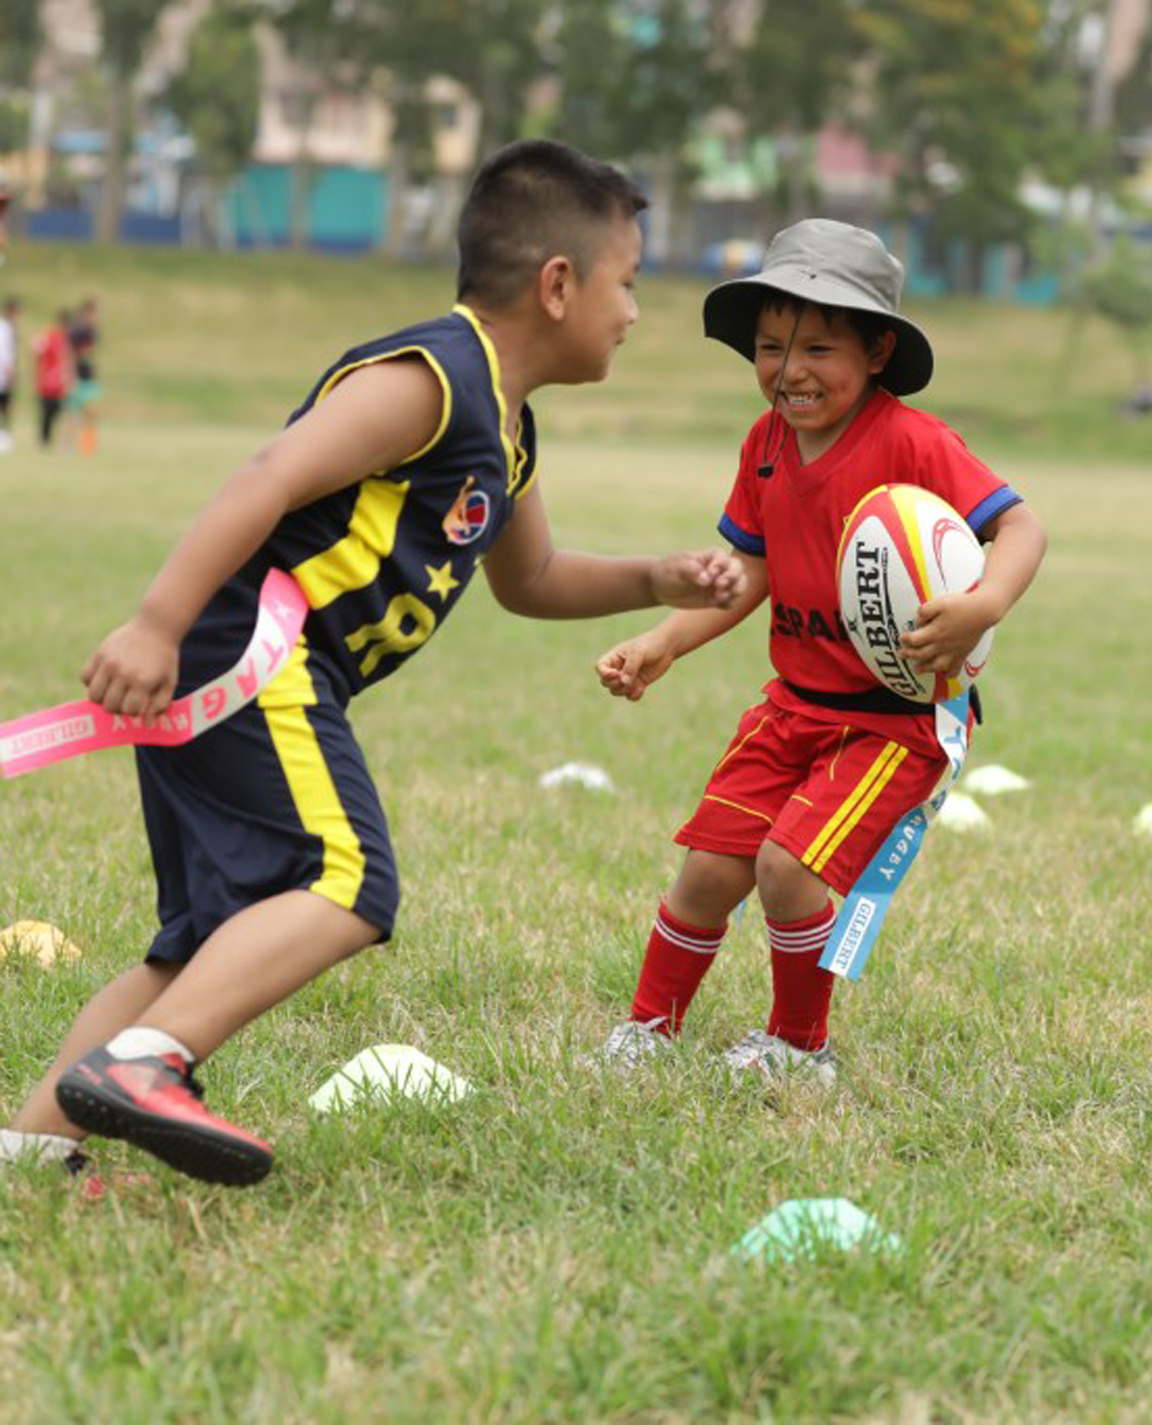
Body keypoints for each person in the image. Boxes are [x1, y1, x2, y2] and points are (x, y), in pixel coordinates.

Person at [0, 139, 747, 1188]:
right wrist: (154, 626)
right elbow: (270, 473)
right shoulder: (431, 378)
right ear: (558, 283)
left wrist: (655, 577)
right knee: (348, 882)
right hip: (257, 657)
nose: (634, 310)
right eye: (628, 284)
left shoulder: (506, 424)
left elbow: (528, 580)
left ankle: (32, 1152)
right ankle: (143, 1064)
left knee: (203, 939)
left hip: (249, 665)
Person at [586, 219, 1046, 1083]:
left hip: (893, 722)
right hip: (792, 706)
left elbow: (1021, 525)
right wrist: (664, 640)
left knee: (787, 869)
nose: (789, 371)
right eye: (769, 347)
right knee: (709, 869)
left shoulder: (913, 443)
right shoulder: (764, 445)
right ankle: (647, 1030)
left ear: (877, 350)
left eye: (818, 347)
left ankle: (801, 1047)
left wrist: (982, 604)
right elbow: (748, 570)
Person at [67, 296, 100, 456]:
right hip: (78, 378)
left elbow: (90, 354)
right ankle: (68, 445)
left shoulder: (93, 331)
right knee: (73, 413)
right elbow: (72, 354)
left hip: (90, 378)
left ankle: (87, 446)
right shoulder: (79, 331)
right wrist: (71, 376)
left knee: (91, 412)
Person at [33, 308, 70, 448]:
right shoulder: (48, 335)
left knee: (57, 408)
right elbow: (37, 352)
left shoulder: (65, 339)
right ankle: (44, 440)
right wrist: (39, 372)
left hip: (58, 380)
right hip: (47, 378)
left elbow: (66, 359)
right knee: (46, 410)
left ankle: (48, 437)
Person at [0, 296, 18, 453]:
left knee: (6, 407)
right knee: (4, 407)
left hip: (4, 377)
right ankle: (3, 437)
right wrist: (10, 372)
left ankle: (4, 436)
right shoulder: (4, 329)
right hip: (2, 377)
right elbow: (4, 354)